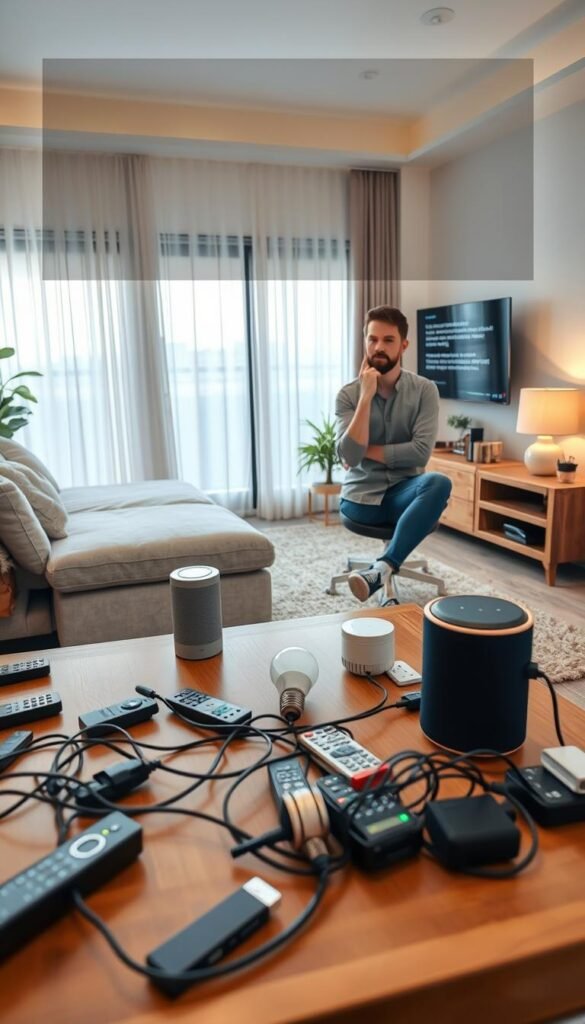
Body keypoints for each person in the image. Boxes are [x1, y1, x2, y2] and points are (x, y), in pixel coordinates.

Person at [335, 305, 452, 602]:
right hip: (361, 499)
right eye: (372, 339)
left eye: (388, 340)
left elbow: (420, 453)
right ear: (364, 341)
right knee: (433, 493)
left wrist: (363, 450)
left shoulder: (425, 390)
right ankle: (386, 566)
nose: (379, 347)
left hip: (405, 494)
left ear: (404, 345)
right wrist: (366, 397)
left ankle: (382, 568)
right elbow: (350, 455)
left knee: (438, 483)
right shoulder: (348, 395)